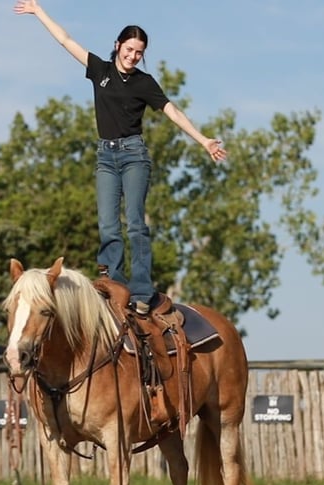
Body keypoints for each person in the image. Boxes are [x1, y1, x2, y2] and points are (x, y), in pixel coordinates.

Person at [14, 0, 227, 315]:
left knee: (136, 223)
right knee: (108, 225)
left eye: (139, 52)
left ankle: (141, 291)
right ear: (118, 46)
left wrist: (203, 140)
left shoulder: (144, 82)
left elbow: (172, 111)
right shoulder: (100, 70)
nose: (133, 56)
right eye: (128, 49)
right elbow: (65, 40)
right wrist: (38, 11)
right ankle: (115, 284)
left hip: (134, 155)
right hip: (106, 156)